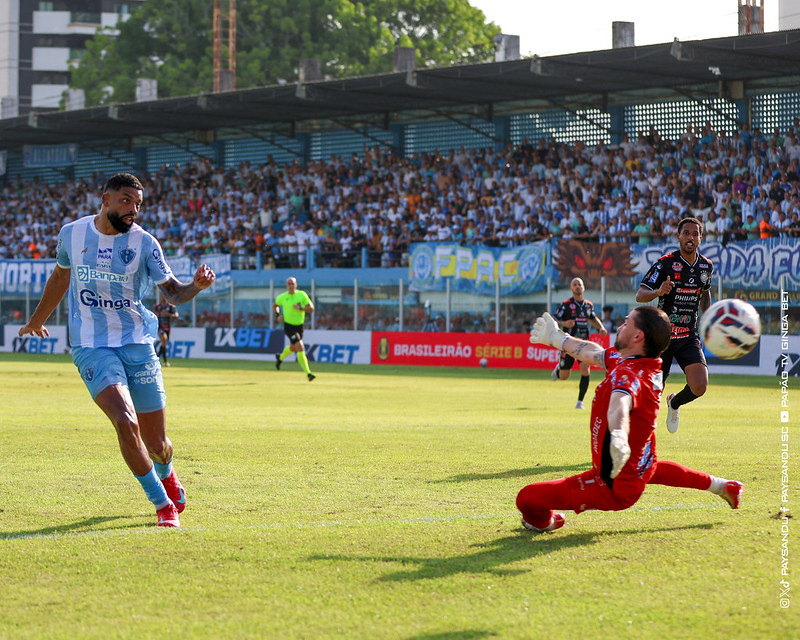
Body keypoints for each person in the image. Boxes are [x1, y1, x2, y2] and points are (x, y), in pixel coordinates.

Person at [18, 173, 216, 528]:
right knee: (125, 422)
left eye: (138, 204)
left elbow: (171, 293)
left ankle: (167, 471)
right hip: (91, 344)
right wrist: (36, 319)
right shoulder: (72, 233)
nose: (133, 209)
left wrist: (195, 287)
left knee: (158, 444)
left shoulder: (145, 243)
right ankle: (161, 502)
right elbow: (61, 276)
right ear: (105, 198)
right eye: (126, 201)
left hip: (137, 342)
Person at [517, 307, 742, 534]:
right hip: (641, 460)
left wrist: (618, 436)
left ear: (637, 336)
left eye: (627, 323)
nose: (621, 326)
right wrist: (557, 338)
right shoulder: (638, 361)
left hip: (613, 485)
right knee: (653, 469)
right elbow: (594, 353)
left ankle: (546, 522)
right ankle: (722, 486)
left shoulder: (632, 374)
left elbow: (620, 404)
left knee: (526, 498)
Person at [636, 217, 712, 433]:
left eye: (694, 234)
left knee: (699, 386)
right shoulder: (665, 263)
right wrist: (658, 292)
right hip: (663, 337)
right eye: (686, 233)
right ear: (678, 236)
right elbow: (640, 295)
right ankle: (641, 436)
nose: (690, 237)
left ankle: (675, 403)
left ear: (700, 238)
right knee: (653, 392)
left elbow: (704, 294)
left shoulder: (706, 266)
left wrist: (710, 316)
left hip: (688, 335)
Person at [551, 277, 608, 409]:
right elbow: (554, 319)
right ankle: (559, 369)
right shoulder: (565, 304)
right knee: (564, 376)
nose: (577, 286)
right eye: (575, 284)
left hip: (584, 344)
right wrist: (565, 323)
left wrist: (601, 327)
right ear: (571, 288)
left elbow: (593, 318)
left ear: (584, 288)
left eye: (580, 284)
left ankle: (579, 402)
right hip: (568, 344)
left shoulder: (588, 305)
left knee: (585, 370)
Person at [274, 276, 316, 381]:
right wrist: (277, 315)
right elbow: (275, 305)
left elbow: (311, 308)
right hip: (289, 326)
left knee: (293, 348)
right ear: (286, 286)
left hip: (299, 326)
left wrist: (301, 308)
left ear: (296, 285)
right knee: (300, 346)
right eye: (289, 284)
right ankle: (308, 373)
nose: (291, 285)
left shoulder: (301, 295)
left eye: (293, 283)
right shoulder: (282, 297)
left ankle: (280, 358)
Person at [154, 294, 179, 366]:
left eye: (165, 296)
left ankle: (157, 357)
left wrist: (168, 314)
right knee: (164, 339)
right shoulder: (158, 307)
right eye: (162, 296)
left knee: (164, 343)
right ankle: (165, 361)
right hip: (160, 327)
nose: (163, 298)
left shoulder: (171, 307)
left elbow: (176, 315)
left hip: (167, 327)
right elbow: (153, 315)